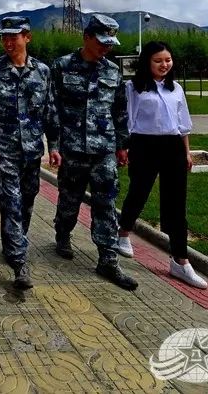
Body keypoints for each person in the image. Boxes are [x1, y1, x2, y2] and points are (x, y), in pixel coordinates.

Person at [50, 14, 136, 291]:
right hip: (72, 149)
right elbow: (52, 109)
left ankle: (108, 260)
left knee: (106, 205)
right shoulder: (62, 66)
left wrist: (123, 145)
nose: (107, 48)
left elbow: (120, 110)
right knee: (69, 201)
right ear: (87, 37)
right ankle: (62, 234)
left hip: (104, 150)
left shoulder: (112, 70)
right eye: (102, 42)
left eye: (111, 43)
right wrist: (54, 144)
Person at [116, 42, 207, 289]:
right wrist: (123, 147)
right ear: (147, 62)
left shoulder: (175, 88)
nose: (164, 65)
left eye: (168, 60)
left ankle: (180, 261)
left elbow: (183, 123)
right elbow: (127, 121)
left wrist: (186, 152)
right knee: (139, 192)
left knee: (176, 203)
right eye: (158, 61)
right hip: (144, 145)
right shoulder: (132, 88)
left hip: (173, 147)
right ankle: (123, 233)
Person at [0, 16, 59, 290]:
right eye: (5, 37)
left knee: (26, 203)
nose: (9, 42)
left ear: (28, 37)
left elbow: (49, 110)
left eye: (15, 36)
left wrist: (55, 146)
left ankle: (11, 243)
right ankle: (19, 262)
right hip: (4, 151)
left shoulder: (43, 71)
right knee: (11, 203)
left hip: (33, 151)